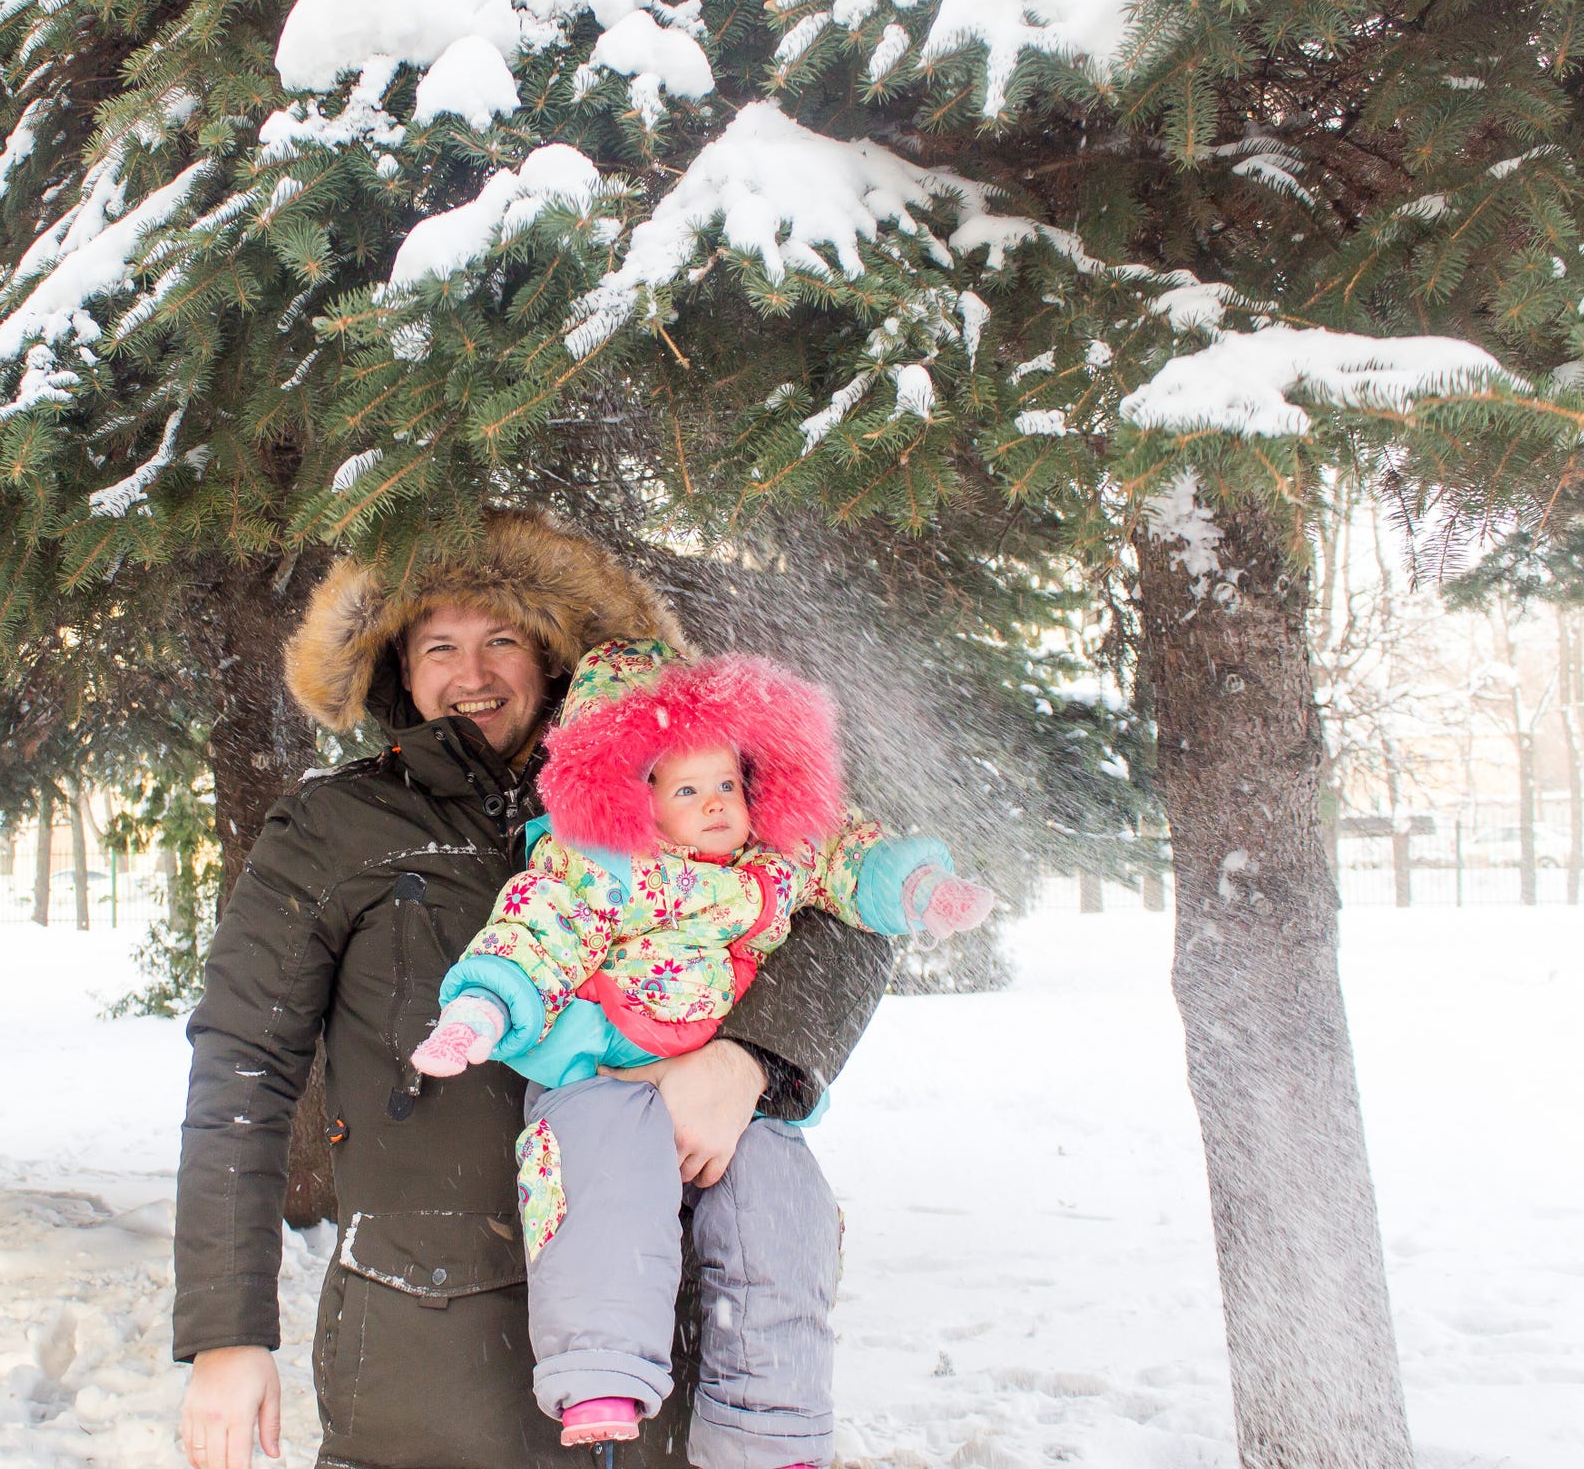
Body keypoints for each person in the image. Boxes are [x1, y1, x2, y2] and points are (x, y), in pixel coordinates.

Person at [173, 510, 902, 1469]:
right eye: (440, 646)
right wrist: (229, 1335)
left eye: (501, 641)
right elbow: (242, 1066)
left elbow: (854, 917)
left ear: (554, 655)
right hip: (425, 1362)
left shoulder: (681, 799)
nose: (471, 675)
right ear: (397, 665)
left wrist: (751, 1061)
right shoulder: (333, 824)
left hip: (656, 1353)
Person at [407, 638, 993, 1466]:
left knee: (781, 1211)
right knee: (601, 1190)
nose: (717, 804)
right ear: (638, 797)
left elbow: (852, 856)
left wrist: (923, 890)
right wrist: (481, 1011)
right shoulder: (600, 866)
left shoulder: (775, 858)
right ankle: (601, 1367)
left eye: (728, 783)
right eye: (689, 789)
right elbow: (538, 931)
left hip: (724, 1082)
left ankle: (772, 1424)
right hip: (602, 1067)